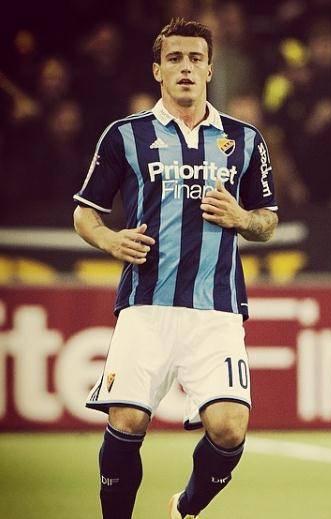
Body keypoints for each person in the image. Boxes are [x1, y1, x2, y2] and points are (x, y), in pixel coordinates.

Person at [72, 18, 278, 519]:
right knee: (126, 419)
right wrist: (110, 239)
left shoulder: (244, 139)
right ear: (158, 70)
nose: (185, 68)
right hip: (146, 306)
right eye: (175, 59)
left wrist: (242, 217)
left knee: (229, 428)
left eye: (195, 59)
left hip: (216, 311)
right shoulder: (126, 135)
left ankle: (184, 509)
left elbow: (267, 221)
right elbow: (84, 213)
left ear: (209, 69)